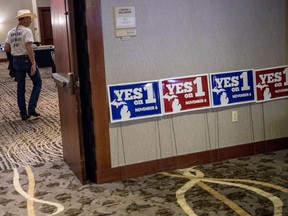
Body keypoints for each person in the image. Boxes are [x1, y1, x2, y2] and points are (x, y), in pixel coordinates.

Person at [4, 9, 42, 120]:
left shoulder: (11, 32)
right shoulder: (26, 31)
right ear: (24, 19)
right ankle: (31, 108)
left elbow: (6, 48)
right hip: (27, 60)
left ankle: (23, 114)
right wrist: (33, 63)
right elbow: (29, 47)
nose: (30, 21)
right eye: (29, 19)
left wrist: (16, 49)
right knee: (38, 82)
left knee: (20, 88)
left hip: (16, 61)